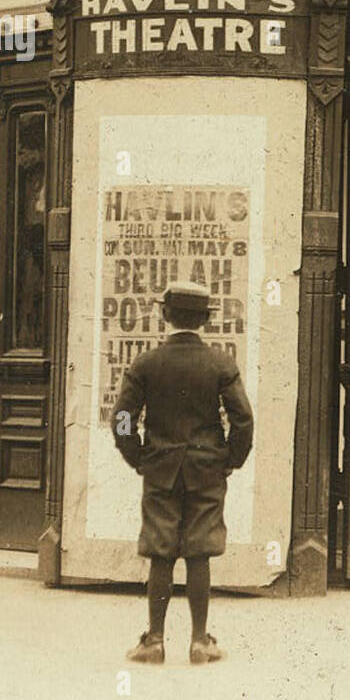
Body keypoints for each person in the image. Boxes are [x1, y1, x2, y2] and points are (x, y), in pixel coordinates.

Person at [112, 281, 253, 665]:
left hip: (160, 468)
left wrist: (138, 457)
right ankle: (199, 642)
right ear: (204, 321)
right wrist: (230, 460)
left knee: (161, 550)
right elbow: (243, 420)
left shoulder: (146, 363)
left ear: (165, 315)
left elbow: (122, 418)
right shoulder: (220, 364)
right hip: (207, 469)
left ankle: (154, 641)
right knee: (199, 551)